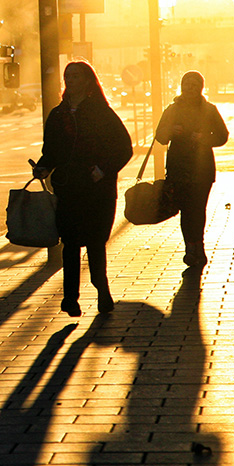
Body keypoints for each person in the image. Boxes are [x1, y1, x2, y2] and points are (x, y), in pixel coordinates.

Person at [33, 61, 133, 317]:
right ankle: (70, 298)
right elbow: (51, 151)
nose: (71, 80)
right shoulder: (58, 114)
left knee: (96, 242)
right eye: (68, 76)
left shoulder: (101, 112)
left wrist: (103, 170)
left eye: (76, 76)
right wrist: (43, 168)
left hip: (97, 189)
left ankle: (102, 291)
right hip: (68, 188)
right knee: (70, 243)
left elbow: (124, 148)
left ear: (88, 81)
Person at [155, 70, 229, 267]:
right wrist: (170, 131)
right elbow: (160, 136)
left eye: (195, 84)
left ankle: (198, 246)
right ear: (181, 86)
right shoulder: (172, 110)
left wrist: (204, 138)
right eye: (187, 84)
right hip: (178, 168)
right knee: (186, 210)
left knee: (197, 209)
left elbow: (222, 135)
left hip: (202, 169)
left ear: (201, 88)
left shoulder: (209, 110)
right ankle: (191, 247)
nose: (190, 88)